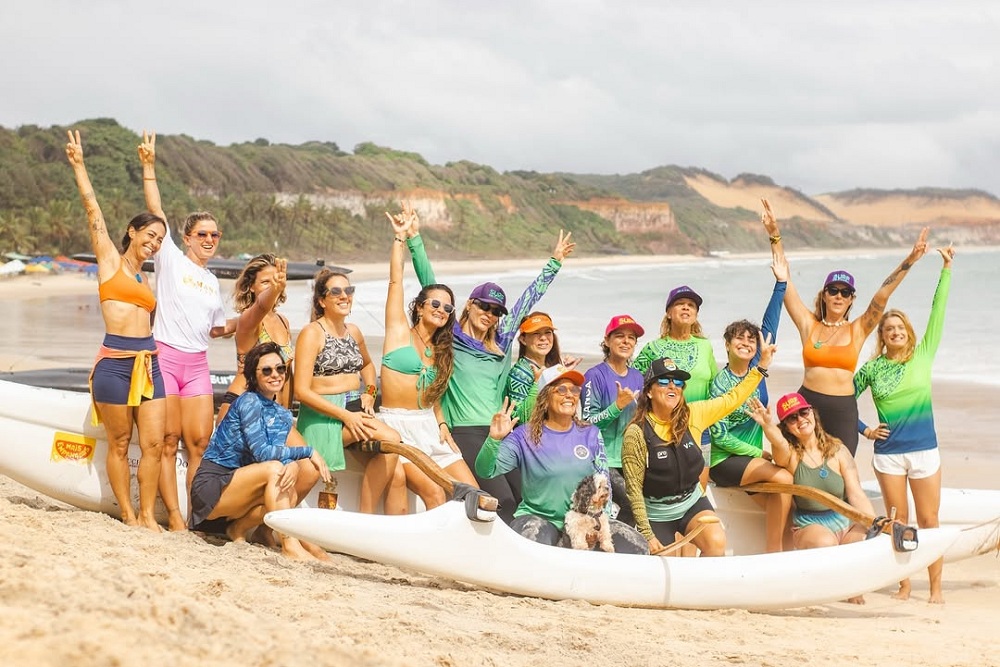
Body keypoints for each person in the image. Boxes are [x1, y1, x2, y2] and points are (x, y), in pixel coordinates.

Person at [402, 209, 575, 523]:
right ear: (469, 304)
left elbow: (527, 301)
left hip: (500, 430)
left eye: (496, 311)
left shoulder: (502, 341)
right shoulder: (452, 335)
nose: (489, 314)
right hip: (465, 431)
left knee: (527, 495)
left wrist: (555, 262)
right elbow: (431, 284)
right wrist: (414, 238)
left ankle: (529, 545)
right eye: (484, 306)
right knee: (502, 500)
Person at [762, 198, 929, 456]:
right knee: (797, 464)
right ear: (824, 295)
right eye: (833, 290)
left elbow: (882, 295)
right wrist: (774, 234)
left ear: (851, 299)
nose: (839, 296)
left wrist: (910, 259)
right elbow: (784, 275)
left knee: (841, 468)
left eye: (845, 292)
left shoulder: (858, 329)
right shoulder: (808, 324)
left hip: (843, 411)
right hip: (807, 406)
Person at [65, 130, 166, 532]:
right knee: (121, 443)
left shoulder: (146, 280)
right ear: (132, 232)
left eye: (160, 239)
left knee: (154, 443)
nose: (154, 243)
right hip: (115, 364)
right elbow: (93, 211)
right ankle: (128, 514)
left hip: (149, 364)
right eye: (150, 235)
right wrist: (79, 165)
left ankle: (148, 515)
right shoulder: (109, 261)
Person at [139, 131, 235, 531]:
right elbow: (155, 209)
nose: (209, 240)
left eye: (215, 235)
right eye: (202, 234)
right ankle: (175, 518)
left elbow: (219, 329)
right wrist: (149, 166)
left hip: (197, 364)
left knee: (199, 444)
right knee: (167, 441)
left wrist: (261, 309)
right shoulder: (171, 259)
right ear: (187, 238)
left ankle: (198, 517)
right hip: (166, 356)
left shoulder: (212, 282)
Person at [854, 245, 955, 603]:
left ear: (908, 332)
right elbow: (841, 399)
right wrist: (865, 429)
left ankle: (936, 588)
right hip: (889, 455)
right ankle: (904, 584)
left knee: (929, 520)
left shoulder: (922, 355)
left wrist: (946, 269)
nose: (895, 332)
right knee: (898, 521)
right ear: (881, 336)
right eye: (888, 329)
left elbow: (938, 311)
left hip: (925, 451)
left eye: (900, 327)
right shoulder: (871, 369)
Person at [622, 347, 774, 557]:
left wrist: (761, 367)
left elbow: (732, 399)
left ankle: (701, 578)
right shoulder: (636, 433)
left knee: (716, 543)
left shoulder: (694, 414)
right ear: (649, 391)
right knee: (666, 564)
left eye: (678, 383)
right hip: (656, 513)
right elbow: (633, 490)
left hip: (691, 502)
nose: (672, 386)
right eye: (664, 381)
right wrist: (647, 535)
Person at [480, 366, 649, 554]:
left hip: (583, 520)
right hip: (539, 518)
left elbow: (603, 481)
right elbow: (486, 470)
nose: (569, 394)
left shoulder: (590, 433)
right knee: (533, 540)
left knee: (638, 546)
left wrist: (599, 520)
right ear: (545, 397)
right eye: (561, 389)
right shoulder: (523, 435)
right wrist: (493, 440)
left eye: (574, 389)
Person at [190, 342, 331, 561]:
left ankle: (238, 529)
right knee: (277, 470)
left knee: (289, 488)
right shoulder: (248, 401)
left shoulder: (282, 414)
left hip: (240, 494)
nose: (275, 374)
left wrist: (291, 465)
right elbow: (263, 454)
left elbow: (275, 452)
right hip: (213, 489)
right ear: (253, 376)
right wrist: (307, 452)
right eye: (266, 370)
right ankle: (290, 545)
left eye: (280, 368)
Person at [380, 207, 479, 507]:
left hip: (429, 427)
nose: (441, 310)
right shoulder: (398, 331)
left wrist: (442, 424)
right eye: (435, 304)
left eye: (448, 308)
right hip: (399, 426)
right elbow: (395, 282)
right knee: (435, 493)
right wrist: (400, 238)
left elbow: (432, 396)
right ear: (420, 306)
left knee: (474, 495)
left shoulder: (441, 349)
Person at [749, 392, 876, 603]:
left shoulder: (838, 450)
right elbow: (779, 445)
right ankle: (838, 585)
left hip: (844, 522)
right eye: (792, 418)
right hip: (810, 525)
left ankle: (849, 585)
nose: (800, 419)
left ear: (812, 413)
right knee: (826, 543)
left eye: (803, 412)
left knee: (866, 539)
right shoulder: (790, 455)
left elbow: (856, 493)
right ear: (786, 427)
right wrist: (768, 426)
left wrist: (875, 522)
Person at [708, 236, 792, 552]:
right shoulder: (720, 384)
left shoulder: (758, 367)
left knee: (783, 502)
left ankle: (784, 553)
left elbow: (770, 324)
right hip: (725, 461)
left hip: (750, 459)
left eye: (750, 340)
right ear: (727, 345)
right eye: (739, 339)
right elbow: (719, 436)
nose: (746, 343)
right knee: (784, 479)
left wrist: (780, 285)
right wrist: (758, 453)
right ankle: (774, 554)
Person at [293, 268, 402, 514]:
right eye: (336, 291)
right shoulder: (312, 333)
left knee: (396, 471)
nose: (345, 296)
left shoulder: (353, 331)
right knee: (392, 439)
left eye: (349, 290)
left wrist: (370, 392)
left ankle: (384, 525)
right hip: (324, 415)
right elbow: (300, 391)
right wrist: (345, 416)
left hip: (352, 407)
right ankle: (365, 517)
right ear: (322, 301)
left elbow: (368, 365)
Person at [580, 315, 645, 527]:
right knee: (629, 504)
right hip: (602, 460)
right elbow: (588, 424)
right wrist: (617, 406)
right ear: (607, 341)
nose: (626, 341)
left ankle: (619, 541)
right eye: (619, 336)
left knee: (638, 507)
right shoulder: (594, 375)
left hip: (630, 459)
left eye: (631, 337)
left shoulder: (638, 377)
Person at [217, 254, 294, 424]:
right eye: (265, 282)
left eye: (275, 281)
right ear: (251, 287)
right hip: (243, 406)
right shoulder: (248, 320)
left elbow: (287, 375)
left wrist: (285, 412)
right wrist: (275, 289)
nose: (272, 286)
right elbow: (261, 306)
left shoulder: (283, 321)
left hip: (272, 409)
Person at [632, 284, 718, 402]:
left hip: (701, 413)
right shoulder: (653, 348)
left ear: (696, 315)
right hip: (664, 414)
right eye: (680, 303)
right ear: (669, 313)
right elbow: (632, 383)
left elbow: (715, 387)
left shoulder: (705, 346)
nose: (686, 307)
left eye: (691, 305)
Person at [505, 311, 580, 423]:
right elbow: (520, 419)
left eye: (548, 332)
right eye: (536, 333)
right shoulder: (520, 373)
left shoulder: (550, 368)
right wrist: (537, 384)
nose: (543, 338)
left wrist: (563, 375)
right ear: (523, 339)